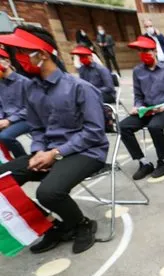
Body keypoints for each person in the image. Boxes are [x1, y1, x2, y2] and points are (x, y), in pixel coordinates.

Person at [0, 26, 108, 254]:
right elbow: (37, 128)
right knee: (3, 181)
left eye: (20, 52)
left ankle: (82, 224)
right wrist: (39, 151)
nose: (15, 60)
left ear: (42, 55)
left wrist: (55, 153)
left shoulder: (80, 88)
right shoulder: (31, 89)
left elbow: (94, 133)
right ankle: (52, 225)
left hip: (87, 152)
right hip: (48, 151)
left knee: (48, 192)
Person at [119, 36, 164, 180]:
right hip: (146, 110)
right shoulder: (137, 71)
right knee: (123, 127)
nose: (144, 54)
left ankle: (162, 161)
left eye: (146, 51)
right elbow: (138, 94)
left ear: (154, 51)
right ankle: (143, 162)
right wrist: (138, 106)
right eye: (141, 51)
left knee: (154, 126)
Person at [0, 47, 31, 158]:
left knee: (5, 136)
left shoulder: (24, 82)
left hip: (26, 119)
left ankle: (23, 161)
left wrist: (9, 120)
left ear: (7, 62)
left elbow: (31, 108)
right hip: (6, 120)